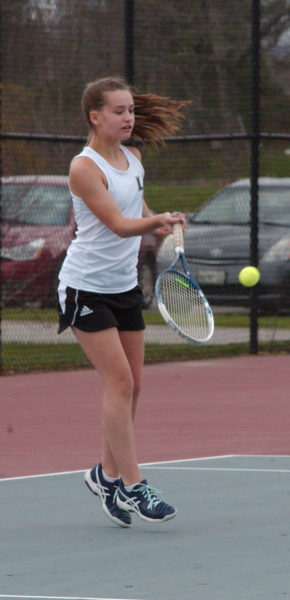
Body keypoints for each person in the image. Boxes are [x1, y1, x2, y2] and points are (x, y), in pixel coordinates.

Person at [57, 76, 188, 528]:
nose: (129, 117)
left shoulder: (133, 159)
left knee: (135, 384)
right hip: (85, 287)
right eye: (119, 110)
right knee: (120, 383)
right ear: (96, 117)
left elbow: (137, 209)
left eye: (130, 109)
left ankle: (104, 474)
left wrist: (162, 224)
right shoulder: (84, 167)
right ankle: (134, 486)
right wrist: (154, 219)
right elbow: (115, 223)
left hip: (123, 285)